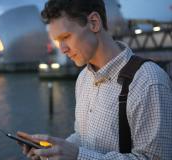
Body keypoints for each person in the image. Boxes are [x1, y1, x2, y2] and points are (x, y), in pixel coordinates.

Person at [17, 0, 172, 159]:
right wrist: (56, 150)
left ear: (94, 22)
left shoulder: (148, 81)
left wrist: (78, 156)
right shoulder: (83, 77)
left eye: (66, 36)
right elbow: (82, 137)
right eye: (58, 41)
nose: (62, 49)